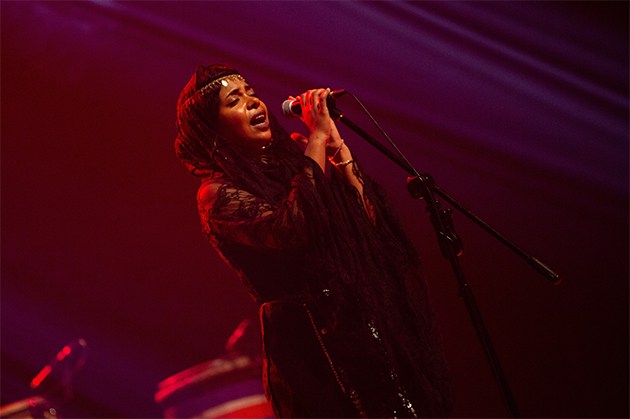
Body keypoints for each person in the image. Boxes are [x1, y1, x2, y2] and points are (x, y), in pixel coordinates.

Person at [175, 64, 454, 418]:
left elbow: (369, 224)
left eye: (251, 93)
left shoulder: (298, 161)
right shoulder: (216, 194)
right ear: (213, 129)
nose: (253, 102)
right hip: (315, 351)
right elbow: (293, 230)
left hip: (370, 331)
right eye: (234, 100)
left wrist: (338, 150)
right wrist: (317, 142)